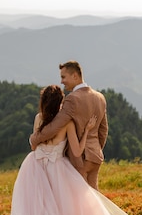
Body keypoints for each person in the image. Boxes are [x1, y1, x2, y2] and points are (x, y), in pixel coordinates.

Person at [9, 85, 135, 215]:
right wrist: (85, 131)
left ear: (43, 103)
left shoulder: (38, 118)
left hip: (36, 166)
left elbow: (34, 144)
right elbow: (76, 150)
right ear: (61, 103)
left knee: (40, 207)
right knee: (63, 207)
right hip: (58, 169)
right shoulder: (67, 122)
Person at [29, 61, 108, 190]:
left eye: (63, 77)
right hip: (95, 156)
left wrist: (34, 138)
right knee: (94, 197)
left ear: (75, 76)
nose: (62, 81)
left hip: (81, 158)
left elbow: (55, 126)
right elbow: (103, 130)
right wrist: (96, 149)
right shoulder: (100, 97)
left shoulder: (72, 99)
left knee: (81, 199)